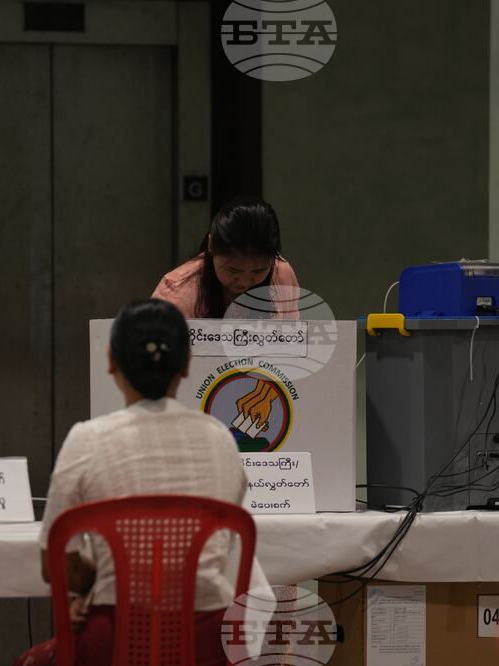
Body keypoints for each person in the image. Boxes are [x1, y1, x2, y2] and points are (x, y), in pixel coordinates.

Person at [16, 299, 248, 666]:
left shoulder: (87, 439)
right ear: (186, 364)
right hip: (207, 641)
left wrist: (102, 585)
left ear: (110, 360)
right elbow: (219, 550)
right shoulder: (222, 439)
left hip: (113, 641)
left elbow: (58, 566)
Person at [153, 196, 300, 318]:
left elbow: (292, 340)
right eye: (233, 270)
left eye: (258, 271)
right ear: (211, 245)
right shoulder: (177, 291)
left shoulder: (281, 274)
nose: (244, 281)